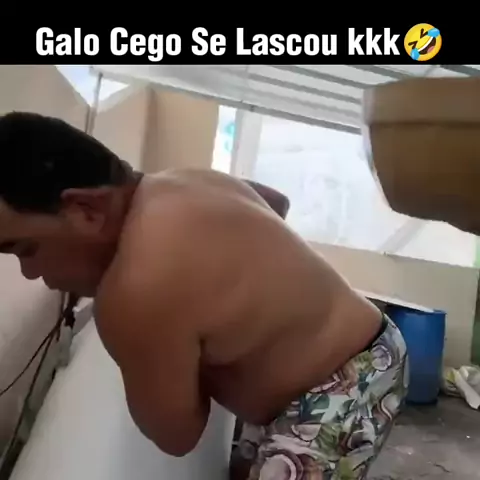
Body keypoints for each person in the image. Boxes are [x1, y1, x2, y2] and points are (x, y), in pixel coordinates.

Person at [0, 111, 408, 479]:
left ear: (85, 210)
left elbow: (176, 434)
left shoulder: (135, 291)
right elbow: (275, 202)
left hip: (342, 387)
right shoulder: (184, 181)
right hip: (373, 342)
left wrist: (153, 344)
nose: (31, 273)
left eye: (25, 249)